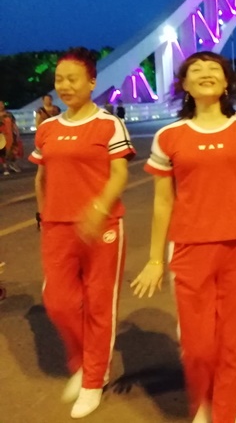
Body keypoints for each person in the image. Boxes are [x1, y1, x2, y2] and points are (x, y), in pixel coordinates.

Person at [131, 52, 236, 423]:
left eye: (213, 68)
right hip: (190, 250)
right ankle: (202, 403)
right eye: (195, 70)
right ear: (184, 85)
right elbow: (163, 202)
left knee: (234, 346)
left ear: (226, 82)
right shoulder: (169, 137)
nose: (205, 73)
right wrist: (154, 259)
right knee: (197, 347)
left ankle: (224, 415)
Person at [29, 47, 135, 419]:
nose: (65, 86)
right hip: (57, 227)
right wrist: (44, 215)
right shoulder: (47, 129)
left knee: (99, 305)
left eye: (73, 79)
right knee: (58, 302)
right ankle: (83, 361)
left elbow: (120, 174)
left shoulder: (109, 124)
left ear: (92, 82)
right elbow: (41, 177)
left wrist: (99, 208)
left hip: (102, 228)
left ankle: (93, 379)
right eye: (59, 79)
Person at [0, 102, 22, 175]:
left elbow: (14, 124)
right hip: (1, 136)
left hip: (10, 135)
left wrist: (17, 132)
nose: (1, 106)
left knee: (12, 150)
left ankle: (12, 164)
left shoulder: (9, 114)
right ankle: (5, 167)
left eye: (2, 104)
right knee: (2, 152)